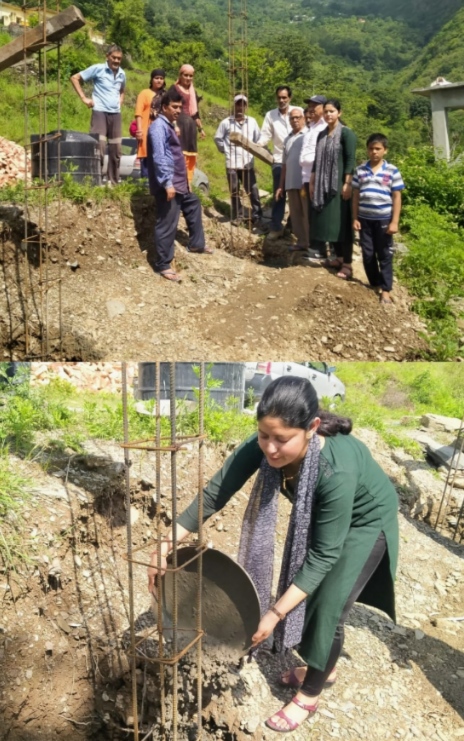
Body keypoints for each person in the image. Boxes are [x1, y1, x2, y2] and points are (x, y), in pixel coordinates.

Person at [148, 376, 399, 733]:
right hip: (326, 512)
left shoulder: (334, 472)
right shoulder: (268, 442)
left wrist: (276, 612)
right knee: (311, 594)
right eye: (264, 436)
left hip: (365, 521)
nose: (270, 448)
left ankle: (310, 694)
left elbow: (324, 556)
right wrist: (166, 543)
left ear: (311, 428)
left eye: (281, 439)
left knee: (329, 605)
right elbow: (215, 492)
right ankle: (321, 663)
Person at [146, 89, 212, 283]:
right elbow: (160, 157)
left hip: (179, 183)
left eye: (180, 107)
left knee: (193, 204)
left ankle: (196, 244)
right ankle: (163, 265)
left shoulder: (168, 125)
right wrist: (167, 183)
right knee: (167, 222)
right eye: (174, 107)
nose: (178, 110)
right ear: (164, 107)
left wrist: (185, 182)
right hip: (169, 184)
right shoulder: (158, 127)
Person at [352, 133, 405, 305]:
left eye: (378, 149)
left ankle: (386, 291)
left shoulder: (392, 170)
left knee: (384, 254)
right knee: (367, 254)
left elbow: (397, 197)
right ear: (367, 150)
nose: (374, 152)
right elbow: (355, 196)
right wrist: (355, 218)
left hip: (383, 219)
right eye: (371, 149)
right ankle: (374, 283)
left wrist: (394, 221)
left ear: (385, 151)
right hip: (364, 219)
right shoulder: (360, 170)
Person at [309, 98, 357, 279]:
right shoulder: (322, 134)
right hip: (323, 184)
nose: (329, 115)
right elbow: (316, 161)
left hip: (338, 185)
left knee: (342, 224)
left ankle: (347, 264)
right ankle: (338, 257)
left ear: (339, 113)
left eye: (332, 111)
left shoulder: (346, 134)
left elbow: (350, 160)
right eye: (326, 111)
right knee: (330, 223)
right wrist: (313, 182)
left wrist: (347, 183)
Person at [70, 44, 126, 187]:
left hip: (115, 114)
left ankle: (113, 183)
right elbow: (75, 78)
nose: (116, 61)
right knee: (98, 146)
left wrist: (120, 102)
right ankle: (96, 181)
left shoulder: (122, 74)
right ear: (107, 56)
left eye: (119, 58)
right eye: (114, 57)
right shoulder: (98, 69)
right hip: (100, 111)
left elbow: (122, 90)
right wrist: (84, 98)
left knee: (116, 148)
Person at [257, 86, 303, 240]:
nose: (282, 100)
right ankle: (276, 227)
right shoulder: (271, 115)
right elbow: (265, 135)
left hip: (299, 159)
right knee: (279, 192)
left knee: (299, 193)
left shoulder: (298, 111)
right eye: (279, 98)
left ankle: (293, 226)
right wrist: (255, 144)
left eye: (284, 97)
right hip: (279, 158)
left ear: (290, 98)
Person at [214, 94, 263, 228]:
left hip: (247, 162)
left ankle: (257, 215)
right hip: (232, 163)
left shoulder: (252, 122)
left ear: (246, 106)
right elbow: (218, 138)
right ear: (234, 105)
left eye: (243, 104)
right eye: (238, 104)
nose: (240, 107)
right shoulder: (226, 122)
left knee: (252, 190)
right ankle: (238, 216)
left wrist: (255, 149)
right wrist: (226, 150)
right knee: (234, 191)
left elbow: (259, 139)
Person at [299, 95, 328, 260]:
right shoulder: (311, 127)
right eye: (309, 106)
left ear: (323, 108)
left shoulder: (325, 128)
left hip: (316, 176)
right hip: (305, 176)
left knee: (318, 212)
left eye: (314, 107)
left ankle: (320, 249)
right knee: (310, 212)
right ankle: (313, 246)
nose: (311, 110)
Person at [276, 108, 309, 252]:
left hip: (305, 182)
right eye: (292, 118)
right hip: (290, 182)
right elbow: (285, 164)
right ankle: (302, 242)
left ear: (303, 118)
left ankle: (313, 244)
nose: (295, 120)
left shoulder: (309, 135)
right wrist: (280, 185)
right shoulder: (288, 139)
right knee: (295, 214)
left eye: (298, 117)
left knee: (307, 213)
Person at [168, 65, 206, 186]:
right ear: (180, 75)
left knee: (191, 157)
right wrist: (174, 125)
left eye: (191, 76)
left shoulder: (192, 91)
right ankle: (177, 183)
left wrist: (201, 129)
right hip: (179, 127)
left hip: (190, 129)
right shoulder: (174, 89)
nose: (188, 78)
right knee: (180, 155)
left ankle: (187, 184)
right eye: (186, 75)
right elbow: (170, 109)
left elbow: (195, 113)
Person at [134, 69, 166, 178]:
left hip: (162, 133)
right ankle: (146, 189)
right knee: (147, 165)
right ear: (151, 79)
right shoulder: (144, 93)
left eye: (161, 78)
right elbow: (138, 113)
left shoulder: (165, 95)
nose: (159, 81)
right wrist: (139, 131)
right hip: (147, 132)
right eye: (156, 78)